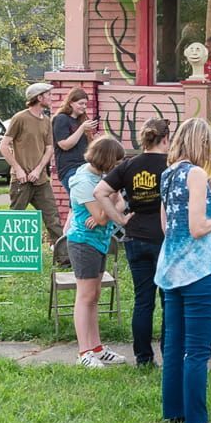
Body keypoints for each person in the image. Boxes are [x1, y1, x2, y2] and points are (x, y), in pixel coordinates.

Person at [157, 118, 211, 423]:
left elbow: (171, 225)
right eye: (209, 145)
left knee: (175, 344)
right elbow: (198, 228)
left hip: (171, 268)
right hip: (199, 270)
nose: (210, 151)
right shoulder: (196, 174)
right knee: (197, 349)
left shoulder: (168, 174)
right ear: (200, 144)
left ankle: (175, 411)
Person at [103, 118, 169, 368]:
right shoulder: (170, 166)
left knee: (143, 300)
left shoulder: (129, 165)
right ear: (165, 139)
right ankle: (168, 353)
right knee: (168, 299)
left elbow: (100, 191)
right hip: (163, 237)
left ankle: (143, 358)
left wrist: (119, 219)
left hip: (135, 236)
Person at [66, 135, 131, 367]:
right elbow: (103, 218)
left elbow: (120, 206)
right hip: (83, 243)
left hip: (98, 242)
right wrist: (111, 198)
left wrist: (108, 202)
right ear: (106, 159)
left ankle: (97, 347)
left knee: (94, 296)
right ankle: (84, 352)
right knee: (85, 296)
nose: (118, 167)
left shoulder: (100, 177)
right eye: (116, 162)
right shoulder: (84, 181)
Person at [0, 81, 67, 268]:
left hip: (40, 180)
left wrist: (38, 170)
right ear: (39, 98)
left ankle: (64, 259)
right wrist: (19, 169)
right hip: (20, 179)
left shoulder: (46, 121)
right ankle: (11, 258)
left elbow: (49, 149)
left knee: (52, 217)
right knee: (16, 218)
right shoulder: (19, 118)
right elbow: (4, 146)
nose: (51, 98)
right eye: (48, 94)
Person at [52, 87, 100, 191]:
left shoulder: (80, 120)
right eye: (81, 103)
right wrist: (82, 128)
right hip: (70, 168)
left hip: (85, 166)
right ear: (71, 103)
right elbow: (64, 145)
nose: (84, 107)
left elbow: (87, 148)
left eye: (85, 104)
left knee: (78, 202)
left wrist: (94, 139)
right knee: (83, 200)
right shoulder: (61, 119)